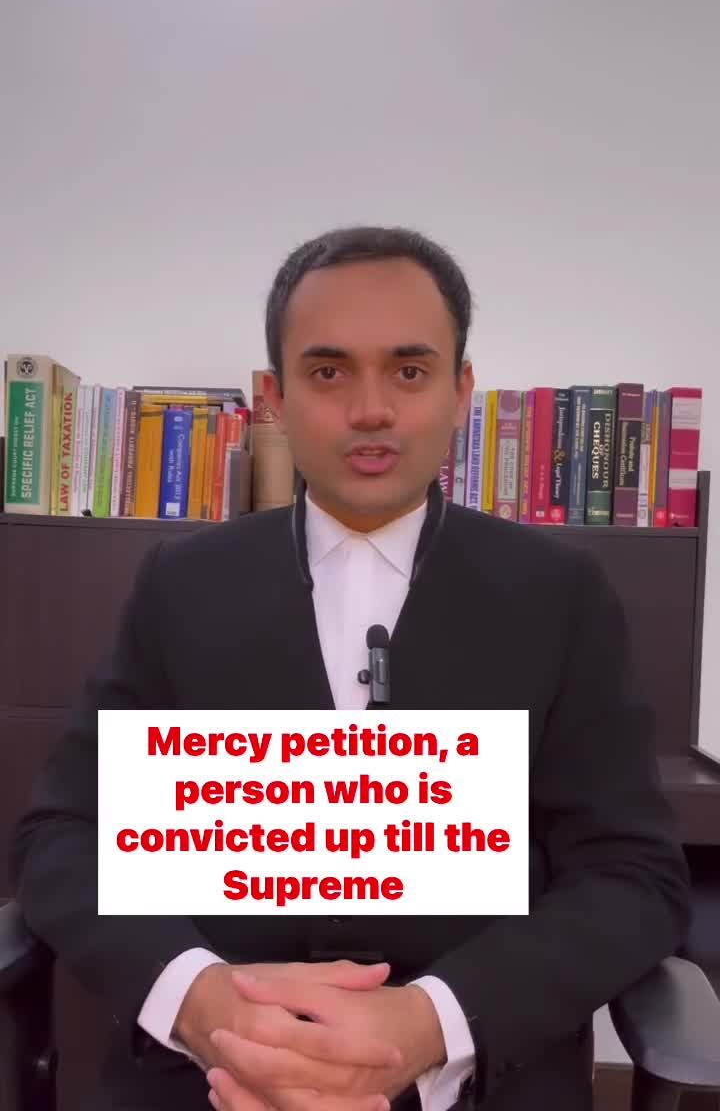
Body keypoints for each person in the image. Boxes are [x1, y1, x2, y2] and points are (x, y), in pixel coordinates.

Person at [12, 226, 690, 1111]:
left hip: (474, 1082)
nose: (371, 410)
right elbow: (63, 837)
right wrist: (200, 1000)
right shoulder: (181, 584)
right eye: (329, 371)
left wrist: (430, 1023)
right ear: (274, 397)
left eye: (409, 371)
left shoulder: (561, 593)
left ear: (460, 391)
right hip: (208, 1075)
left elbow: (632, 876)